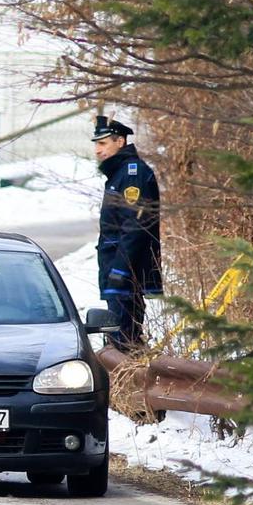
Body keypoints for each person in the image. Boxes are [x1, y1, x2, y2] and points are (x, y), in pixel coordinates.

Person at [92, 114, 162, 350]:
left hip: (125, 272)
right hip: (115, 269)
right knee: (117, 337)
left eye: (103, 143)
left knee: (123, 340)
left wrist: (121, 270)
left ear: (120, 141)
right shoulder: (119, 173)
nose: (98, 150)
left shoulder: (133, 174)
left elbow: (135, 227)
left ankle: (128, 369)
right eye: (96, 144)